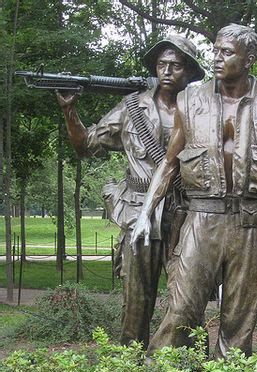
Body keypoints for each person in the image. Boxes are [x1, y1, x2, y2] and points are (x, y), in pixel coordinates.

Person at [131, 23, 257, 358]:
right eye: (215, 51)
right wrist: (145, 213)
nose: (217, 58)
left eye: (226, 52)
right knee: (180, 311)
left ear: (249, 58)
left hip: (251, 223)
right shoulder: (189, 100)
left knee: (239, 323)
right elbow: (169, 163)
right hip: (201, 219)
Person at [56, 36, 204, 347]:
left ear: (188, 72)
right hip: (138, 212)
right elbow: (85, 145)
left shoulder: (201, 110)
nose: (166, 71)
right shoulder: (132, 107)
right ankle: (131, 364)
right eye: (161, 64)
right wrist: (70, 112)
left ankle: (190, 365)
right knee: (136, 300)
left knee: (187, 296)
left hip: (184, 213)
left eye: (175, 66)